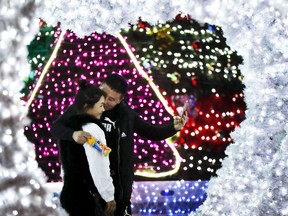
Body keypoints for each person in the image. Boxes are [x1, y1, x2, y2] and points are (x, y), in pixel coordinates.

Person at [51, 74, 187, 216]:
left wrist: (173, 127)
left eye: (111, 99)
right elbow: (56, 128)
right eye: (104, 94)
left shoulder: (126, 115)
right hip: (90, 190)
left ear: (120, 100)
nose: (105, 101)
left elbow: (151, 132)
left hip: (119, 190)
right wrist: (73, 134)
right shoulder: (87, 106)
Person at [58, 80, 116, 216]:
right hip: (88, 197)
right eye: (101, 105)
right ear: (87, 106)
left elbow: (65, 166)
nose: (103, 109)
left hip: (70, 194)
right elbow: (99, 165)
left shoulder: (68, 129)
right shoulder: (92, 129)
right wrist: (108, 196)